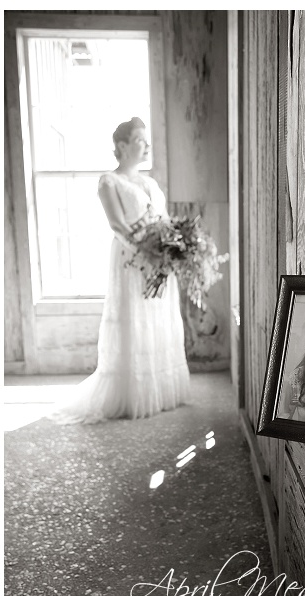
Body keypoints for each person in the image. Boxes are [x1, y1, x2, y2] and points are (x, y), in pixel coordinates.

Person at [49, 117, 190, 424]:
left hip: (159, 259)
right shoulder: (109, 182)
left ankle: (162, 390)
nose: (146, 146)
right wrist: (146, 250)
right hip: (131, 259)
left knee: (158, 318)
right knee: (135, 319)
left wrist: (169, 248)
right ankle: (133, 392)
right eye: (140, 140)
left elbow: (163, 219)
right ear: (123, 146)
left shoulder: (150, 183)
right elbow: (117, 225)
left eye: (146, 140)